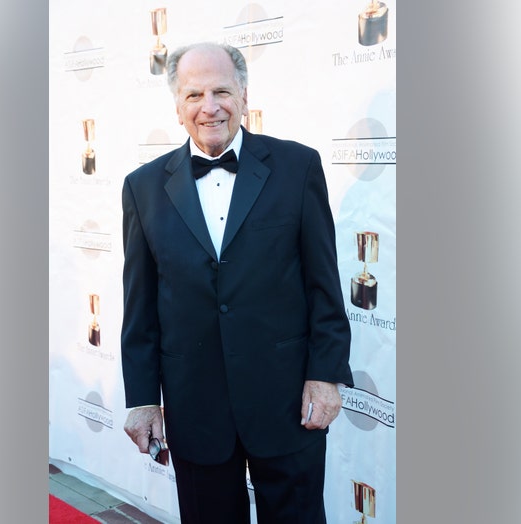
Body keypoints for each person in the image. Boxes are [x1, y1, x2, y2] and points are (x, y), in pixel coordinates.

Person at [120, 41, 353, 524]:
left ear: (244, 95)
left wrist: (326, 375)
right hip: (195, 407)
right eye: (194, 94)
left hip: (289, 402)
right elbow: (140, 308)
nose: (210, 107)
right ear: (177, 104)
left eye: (222, 91)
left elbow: (324, 286)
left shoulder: (297, 167)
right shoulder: (142, 187)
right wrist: (143, 399)